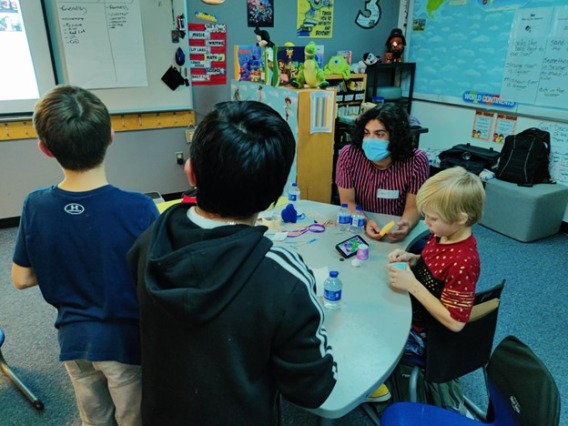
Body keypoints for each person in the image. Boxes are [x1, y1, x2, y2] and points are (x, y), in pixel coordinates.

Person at [128, 101, 337, 425]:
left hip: (161, 414)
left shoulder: (152, 237)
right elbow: (312, 390)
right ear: (275, 195)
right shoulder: (283, 275)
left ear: (191, 172)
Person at [11, 85, 159, 425]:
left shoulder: (35, 204)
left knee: (93, 418)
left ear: (44, 149)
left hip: (74, 342)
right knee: (132, 416)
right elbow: (155, 274)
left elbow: (20, 279)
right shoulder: (138, 207)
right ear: (111, 136)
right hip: (124, 344)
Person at [386, 166, 485, 412]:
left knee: (375, 330)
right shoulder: (443, 234)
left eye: (433, 218)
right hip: (417, 312)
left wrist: (413, 286)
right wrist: (412, 258)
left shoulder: (463, 261)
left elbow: (455, 322)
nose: (426, 223)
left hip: (429, 336)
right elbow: (432, 266)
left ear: (461, 218)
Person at [335, 103, 430, 243]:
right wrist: (365, 221)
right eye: (367, 133)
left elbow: (413, 207)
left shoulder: (417, 161)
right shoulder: (349, 155)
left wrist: (406, 225)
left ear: (396, 137)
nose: (370, 140)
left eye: (380, 134)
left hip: (395, 230)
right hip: (360, 225)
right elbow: (347, 202)